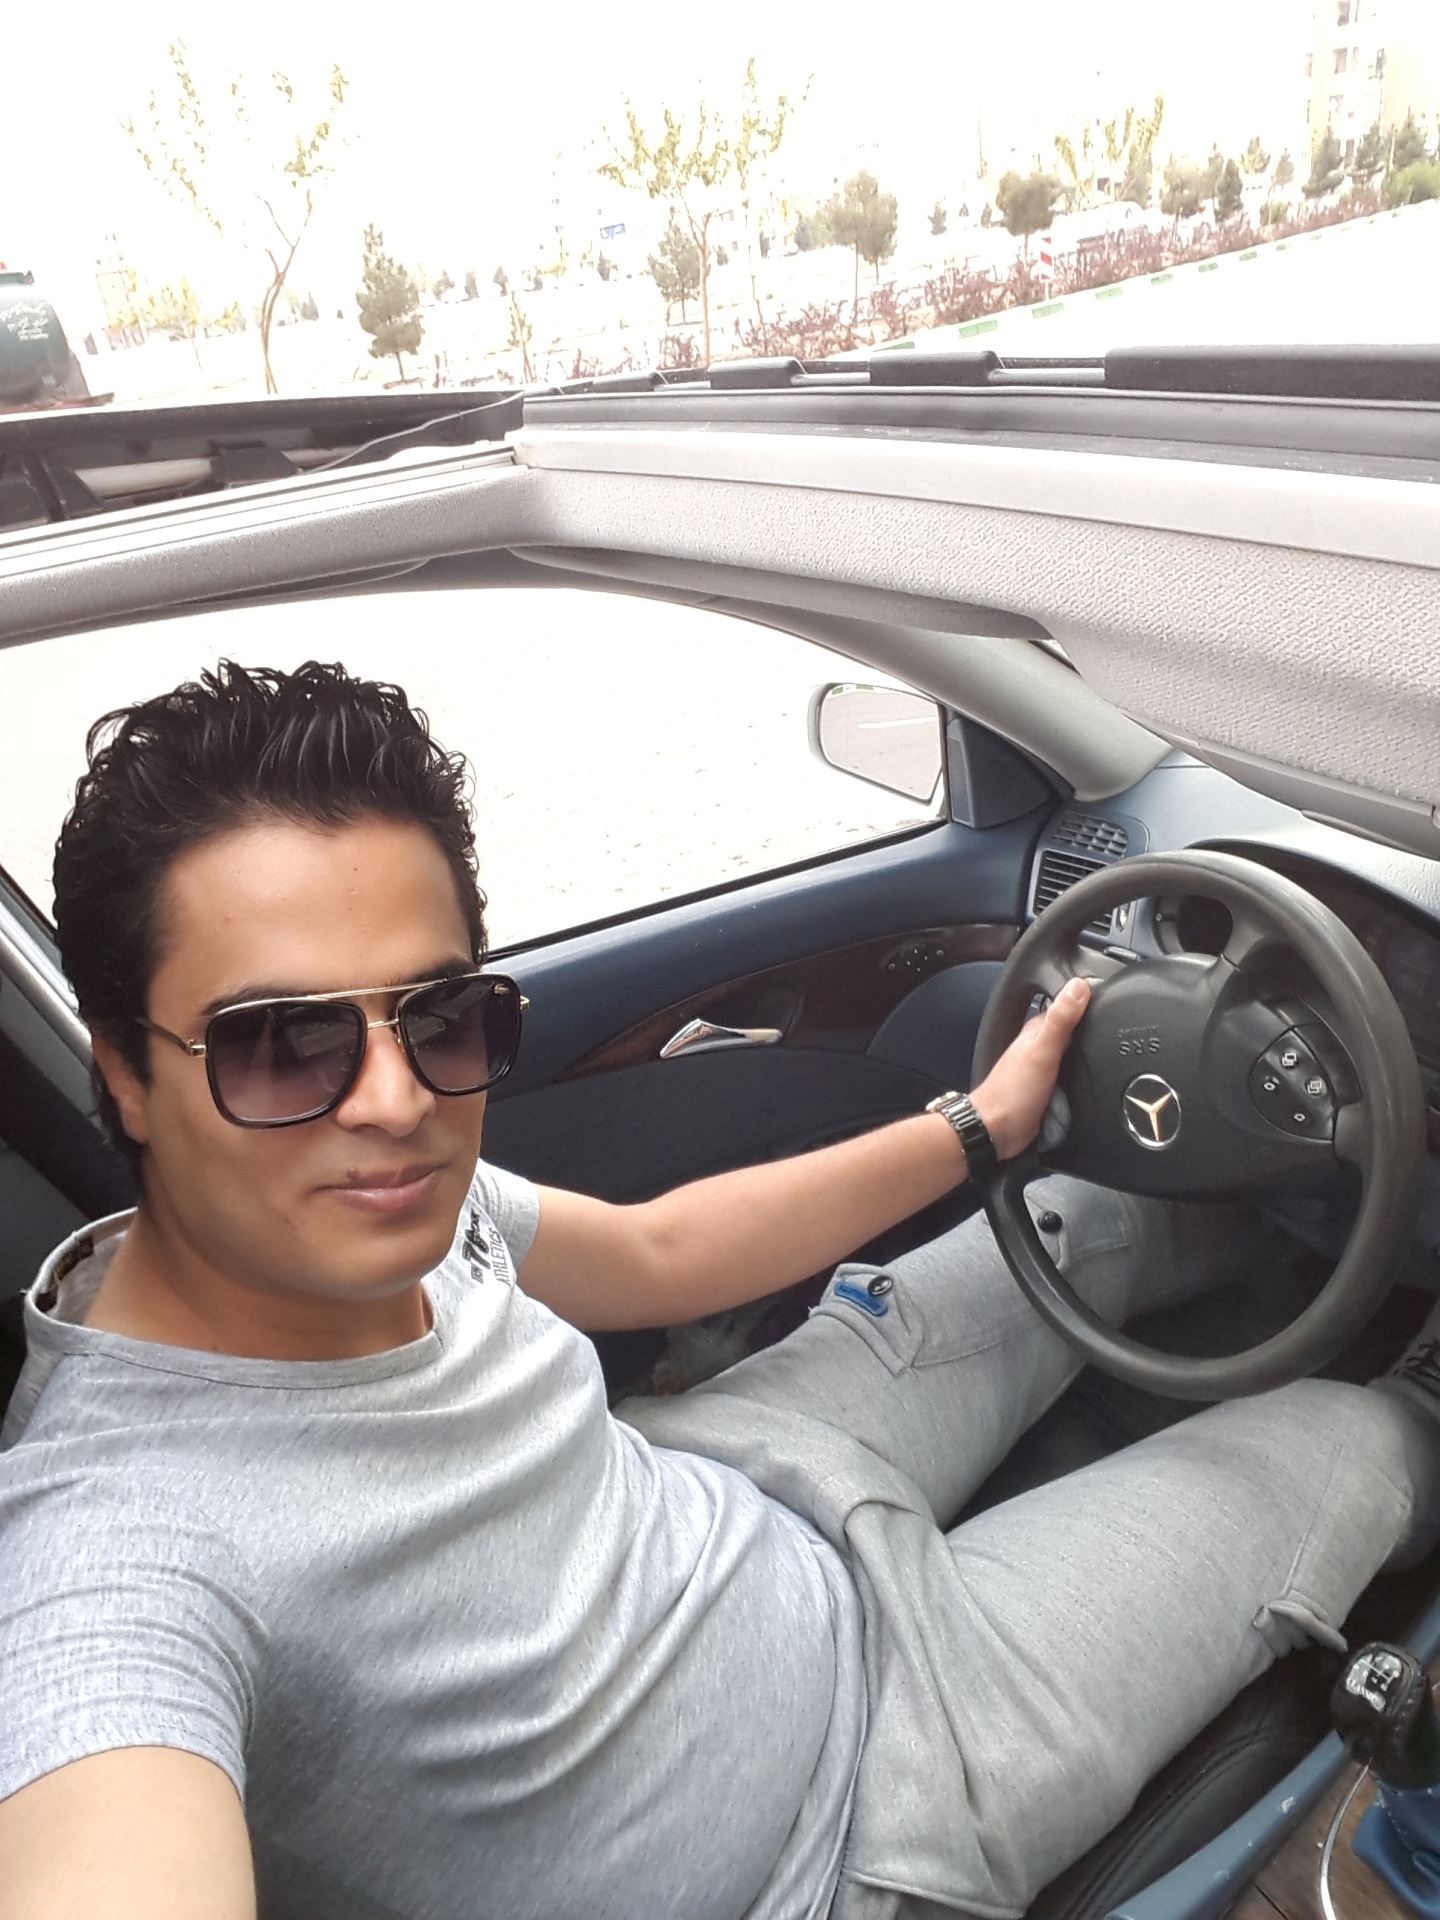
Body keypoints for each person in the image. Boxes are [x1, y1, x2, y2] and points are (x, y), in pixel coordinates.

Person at [1, 660, 1437, 1920]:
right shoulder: (115, 1560)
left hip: (729, 1484)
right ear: (123, 1073)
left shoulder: (356, 1214)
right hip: (865, 1784)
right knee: (1343, 1440)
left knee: (1082, 1209)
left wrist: (984, 1126)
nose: (394, 1103)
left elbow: (661, 1254)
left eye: (440, 1016)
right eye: (281, 1044)